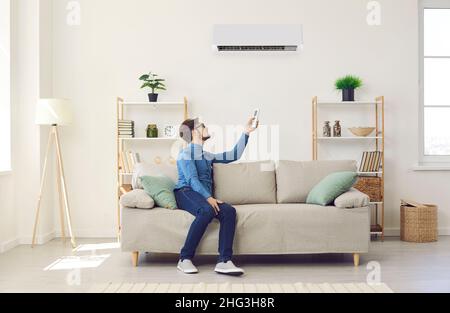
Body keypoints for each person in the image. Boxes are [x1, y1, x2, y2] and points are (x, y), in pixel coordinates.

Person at [174, 117, 258, 276]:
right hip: (185, 192)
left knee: (229, 211)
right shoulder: (185, 154)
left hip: (202, 196)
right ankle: (184, 258)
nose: (206, 127)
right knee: (206, 210)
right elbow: (192, 180)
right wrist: (209, 198)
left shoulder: (207, 155)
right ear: (194, 132)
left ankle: (224, 261)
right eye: (202, 126)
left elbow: (233, 155)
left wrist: (246, 132)